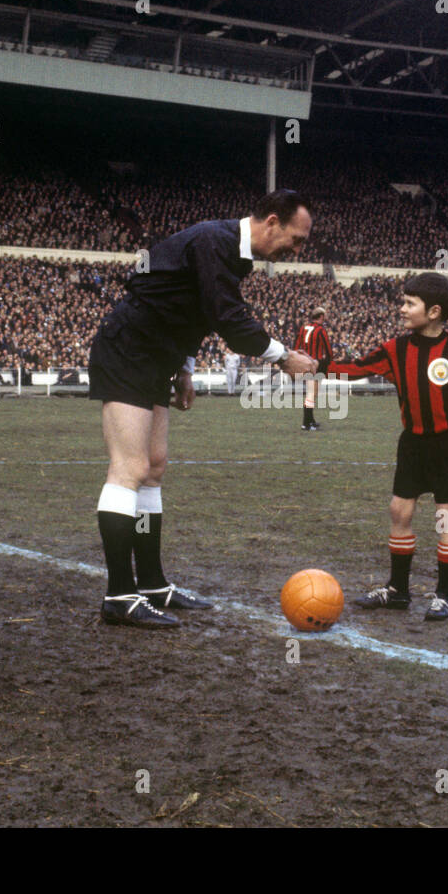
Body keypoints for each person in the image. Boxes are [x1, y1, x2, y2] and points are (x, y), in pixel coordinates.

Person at [88, 188, 317, 628]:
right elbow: (229, 318)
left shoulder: (235, 255)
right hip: (129, 348)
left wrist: (186, 368)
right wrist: (282, 355)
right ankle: (119, 595)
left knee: (153, 467)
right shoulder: (216, 241)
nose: (297, 249)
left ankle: (152, 583)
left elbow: (195, 311)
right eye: (296, 238)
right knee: (129, 468)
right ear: (271, 221)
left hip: (159, 355)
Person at [317, 272, 448, 622]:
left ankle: (443, 596)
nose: (402, 309)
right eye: (403, 302)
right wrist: (316, 365)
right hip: (412, 445)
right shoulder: (396, 349)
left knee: (445, 517)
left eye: (410, 303)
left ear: (434, 311)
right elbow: (355, 368)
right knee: (399, 511)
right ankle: (397, 590)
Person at [295, 306, 332, 430]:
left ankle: (310, 420)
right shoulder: (320, 330)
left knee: (311, 393)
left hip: (305, 363)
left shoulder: (303, 328)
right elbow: (328, 349)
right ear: (321, 316)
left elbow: (296, 347)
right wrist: (328, 361)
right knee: (312, 393)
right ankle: (306, 423)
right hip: (316, 363)